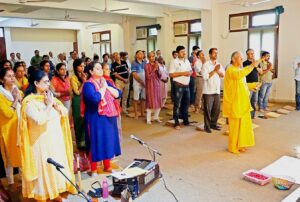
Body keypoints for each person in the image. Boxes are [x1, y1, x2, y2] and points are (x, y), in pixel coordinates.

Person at [20, 70, 75, 201]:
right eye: (45, 82)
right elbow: (39, 120)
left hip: (55, 140)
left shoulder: (48, 97)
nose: (48, 84)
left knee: (55, 168)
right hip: (40, 143)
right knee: (44, 168)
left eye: (48, 81)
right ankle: (43, 195)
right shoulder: (29, 103)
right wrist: (49, 105)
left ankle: (54, 192)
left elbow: (64, 112)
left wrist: (54, 104)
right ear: (35, 83)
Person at [82, 62, 121, 174]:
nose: (101, 70)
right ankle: (93, 169)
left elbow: (118, 94)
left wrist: (106, 86)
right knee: (96, 142)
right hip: (95, 117)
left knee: (108, 141)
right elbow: (95, 98)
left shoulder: (107, 81)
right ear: (90, 71)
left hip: (109, 116)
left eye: (101, 68)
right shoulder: (88, 85)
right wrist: (103, 88)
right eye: (97, 68)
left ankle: (107, 166)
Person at [223, 51, 260, 154]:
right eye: (240, 58)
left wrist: (253, 85)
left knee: (243, 126)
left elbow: (243, 85)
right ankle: (232, 147)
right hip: (234, 102)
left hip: (243, 102)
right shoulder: (230, 70)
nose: (242, 60)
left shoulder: (239, 70)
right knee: (235, 127)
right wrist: (252, 65)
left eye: (242, 58)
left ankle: (241, 145)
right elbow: (239, 75)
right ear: (234, 59)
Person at [0, 68, 22, 186]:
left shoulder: (15, 90)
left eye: (13, 75)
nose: (13, 78)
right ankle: (11, 183)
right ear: (1, 79)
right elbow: (8, 114)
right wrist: (14, 100)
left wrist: (18, 97)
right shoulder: (1, 95)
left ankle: (25, 180)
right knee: (9, 159)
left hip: (19, 127)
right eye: (9, 76)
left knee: (22, 155)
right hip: (7, 131)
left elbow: (22, 103)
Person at [169, 45, 193, 130]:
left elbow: (190, 70)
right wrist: (183, 73)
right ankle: (176, 123)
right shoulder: (174, 61)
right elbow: (171, 74)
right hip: (178, 86)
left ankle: (186, 121)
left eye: (184, 51)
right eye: (182, 52)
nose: (184, 53)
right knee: (177, 105)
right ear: (177, 53)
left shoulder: (186, 61)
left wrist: (190, 73)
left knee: (186, 105)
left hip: (186, 86)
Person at [202, 48, 224, 133]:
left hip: (217, 90)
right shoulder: (206, 65)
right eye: (214, 53)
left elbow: (222, 75)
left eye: (217, 53)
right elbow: (205, 77)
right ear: (210, 54)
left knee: (216, 109)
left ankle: (213, 124)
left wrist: (217, 71)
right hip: (208, 91)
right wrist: (214, 70)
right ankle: (207, 126)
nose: (216, 55)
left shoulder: (219, 64)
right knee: (208, 110)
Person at [71, 59, 86, 150]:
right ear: (76, 67)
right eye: (81, 66)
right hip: (77, 101)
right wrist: (84, 82)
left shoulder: (84, 75)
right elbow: (77, 92)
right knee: (78, 121)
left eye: (83, 66)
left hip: (84, 100)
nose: (82, 67)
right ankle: (80, 144)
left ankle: (85, 142)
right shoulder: (73, 78)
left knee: (85, 121)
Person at [243, 49, 262, 118]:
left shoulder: (257, 62)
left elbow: (261, 72)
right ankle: (246, 115)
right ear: (247, 55)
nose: (252, 55)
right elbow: (245, 72)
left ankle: (252, 115)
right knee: (248, 100)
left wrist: (256, 65)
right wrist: (252, 64)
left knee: (254, 100)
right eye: (251, 53)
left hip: (256, 84)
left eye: (253, 53)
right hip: (248, 84)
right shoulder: (244, 63)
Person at [145, 52, 163, 124]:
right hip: (150, 85)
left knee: (158, 101)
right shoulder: (146, 65)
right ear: (148, 58)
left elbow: (160, 75)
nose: (152, 58)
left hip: (157, 84)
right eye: (150, 57)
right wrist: (154, 69)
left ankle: (156, 117)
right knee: (150, 102)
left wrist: (158, 68)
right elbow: (148, 77)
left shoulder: (157, 64)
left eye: (153, 56)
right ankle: (148, 119)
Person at [131, 50, 146, 119]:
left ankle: (142, 113)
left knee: (143, 98)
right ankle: (136, 114)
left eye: (142, 54)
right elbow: (134, 74)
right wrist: (141, 81)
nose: (141, 55)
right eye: (139, 54)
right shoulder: (134, 63)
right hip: (137, 83)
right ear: (136, 55)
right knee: (136, 99)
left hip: (144, 83)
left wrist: (145, 82)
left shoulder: (145, 62)